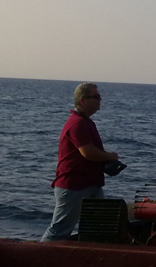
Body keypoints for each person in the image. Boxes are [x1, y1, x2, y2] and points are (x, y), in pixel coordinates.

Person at [41, 83, 120, 241]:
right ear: (83, 100)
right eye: (96, 97)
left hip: (89, 183)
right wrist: (110, 156)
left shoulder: (85, 122)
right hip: (74, 185)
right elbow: (88, 152)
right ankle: (38, 253)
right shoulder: (78, 123)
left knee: (100, 226)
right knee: (59, 231)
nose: (100, 99)